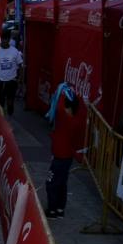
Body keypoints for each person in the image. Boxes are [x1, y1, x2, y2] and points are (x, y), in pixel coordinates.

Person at [45, 84, 84, 219]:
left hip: (59, 156)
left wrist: (62, 88)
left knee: (51, 183)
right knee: (62, 182)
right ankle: (60, 209)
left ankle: (52, 210)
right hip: (68, 157)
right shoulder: (77, 122)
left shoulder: (63, 117)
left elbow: (57, 103)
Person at [0, 32, 24, 115]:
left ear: (9, 40)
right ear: (1, 39)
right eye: (3, 39)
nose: (4, 41)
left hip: (11, 81)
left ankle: (10, 115)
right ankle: (2, 119)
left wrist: (20, 79)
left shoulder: (14, 51)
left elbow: (20, 65)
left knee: (10, 102)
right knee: (0, 102)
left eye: (6, 39)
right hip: (0, 81)